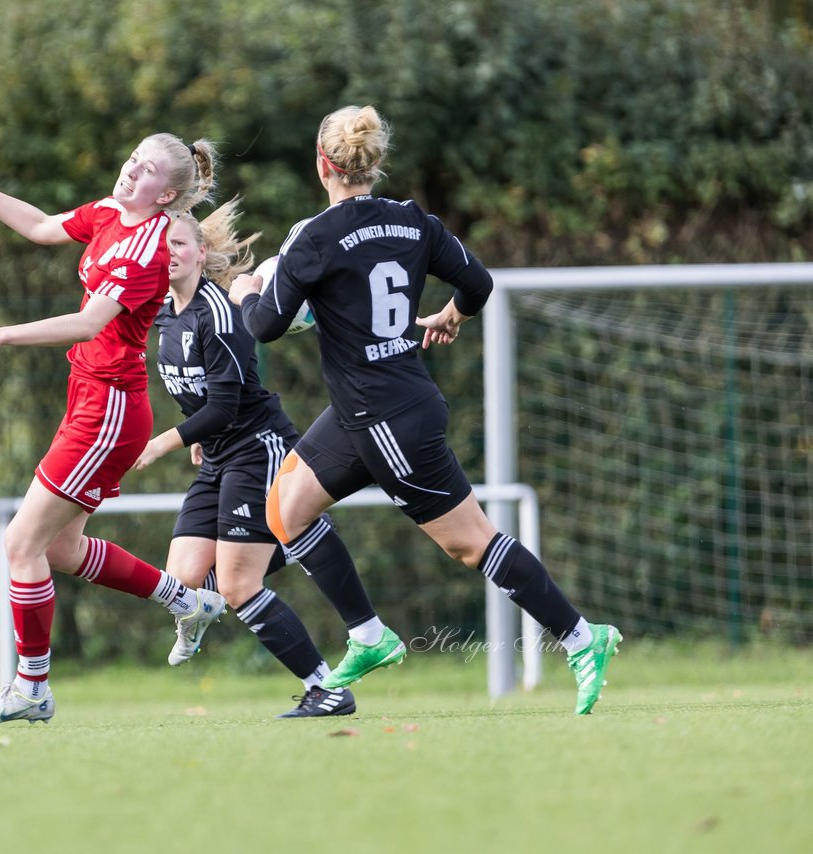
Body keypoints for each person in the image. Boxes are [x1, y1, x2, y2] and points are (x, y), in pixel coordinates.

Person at [228, 106, 622, 715]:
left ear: (322, 165)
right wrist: (451, 315)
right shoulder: (414, 222)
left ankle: (581, 636)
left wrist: (249, 291)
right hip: (367, 411)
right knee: (286, 507)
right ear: (375, 164)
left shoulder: (312, 237)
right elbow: (479, 284)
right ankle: (368, 636)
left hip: (389, 422)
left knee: (470, 543)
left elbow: (267, 328)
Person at [0, 134, 227, 726]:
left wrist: (0, 334)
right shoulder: (111, 213)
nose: (132, 172)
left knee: (21, 545)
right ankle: (188, 600)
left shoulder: (147, 247)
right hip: (91, 401)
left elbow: (89, 323)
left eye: (149, 171)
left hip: (108, 411)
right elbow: (39, 227)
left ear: (172, 194)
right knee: (58, 548)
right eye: (132, 158)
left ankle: (32, 688)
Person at [133, 200, 356, 718]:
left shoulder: (219, 312)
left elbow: (228, 404)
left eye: (179, 245)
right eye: (161, 246)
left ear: (200, 253)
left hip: (257, 448)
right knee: (184, 584)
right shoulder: (164, 312)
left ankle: (327, 689)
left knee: (236, 585)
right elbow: (199, 393)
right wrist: (195, 430)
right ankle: (288, 541)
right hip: (216, 454)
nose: (169, 254)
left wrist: (165, 440)